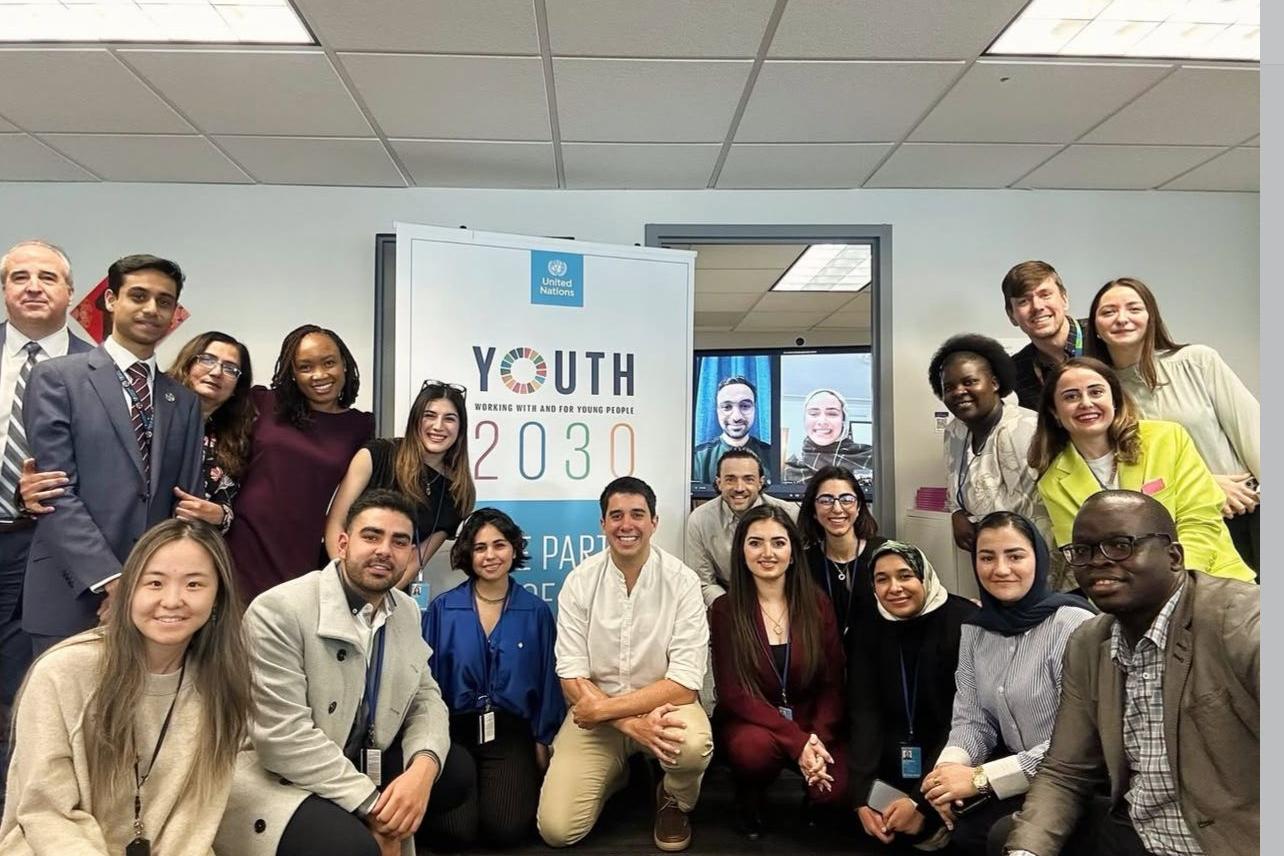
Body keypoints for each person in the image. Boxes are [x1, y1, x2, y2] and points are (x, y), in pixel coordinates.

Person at [1002, 491, 1258, 856]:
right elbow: (1065, 771)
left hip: (1231, 841)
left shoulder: (1243, 621)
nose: (1098, 562)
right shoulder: (1089, 642)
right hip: (1141, 834)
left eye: (1120, 546)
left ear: (1174, 557)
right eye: (1083, 551)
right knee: (1009, 837)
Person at [216, 489, 469, 856]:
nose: (384, 550)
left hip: (356, 753)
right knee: (354, 847)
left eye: (399, 541)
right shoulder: (278, 610)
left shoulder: (406, 610)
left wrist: (423, 770)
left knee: (454, 771)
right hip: (278, 770)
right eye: (372, 536)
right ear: (343, 544)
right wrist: (373, 808)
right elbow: (283, 740)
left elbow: (426, 697)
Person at [0, 517, 252, 854]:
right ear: (129, 591)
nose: (172, 600)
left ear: (218, 597)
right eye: (155, 583)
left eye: (194, 584)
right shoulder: (62, 672)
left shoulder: (221, 683)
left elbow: (197, 818)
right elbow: (46, 812)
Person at [22, 254, 205, 652]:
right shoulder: (58, 378)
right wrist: (113, 581)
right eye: (138, 296)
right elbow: (54, 492)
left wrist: (150, 584)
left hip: (156, 602)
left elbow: (185, 505)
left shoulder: (184, 401)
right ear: (110, 300)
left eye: (164, 301)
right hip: (70, 589)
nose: (151, 309)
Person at [537, 477, 713, 851]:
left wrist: (605, 710)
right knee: (558, 830)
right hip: (599, 718)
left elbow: (684, 685)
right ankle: (616, 774)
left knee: (693, 747)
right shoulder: (579, 582)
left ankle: (673, 797)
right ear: (603, 524)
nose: (626, 525)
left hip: (664, 709)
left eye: (637, 514)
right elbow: (571, 676)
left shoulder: (682, 582)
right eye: (616, 516)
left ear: (654, 522)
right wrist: (629, 724)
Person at [921, 511, 1093, 856]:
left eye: (1015, 556)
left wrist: (980, 778)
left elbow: (1081, 743)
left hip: (1073, 780)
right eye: (987, 557)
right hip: (1017, 776)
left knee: (996, 836)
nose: (1000, 569)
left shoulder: (1073, 624)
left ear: (1038, 559)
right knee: (962, 829)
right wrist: (948, 771)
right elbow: (973, 718)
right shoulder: (976, 630)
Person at [1085, 276, 1260, 572]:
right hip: (1180, 528)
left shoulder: (1197, 361)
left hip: (1247, 510)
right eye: (1109, 312)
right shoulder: (1100, 394)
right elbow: (1126, 470)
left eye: (1133, 308)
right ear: (1096, 328)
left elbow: (1253, 433)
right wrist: (1208, 485)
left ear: (1151, 317)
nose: (1122, 318)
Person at [0, 240, 93, 794]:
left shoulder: (96, 369)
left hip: (50, 547)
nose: (33, 286)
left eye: (47, 277)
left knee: (30, 688)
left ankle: (18, 808)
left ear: (69, 292)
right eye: (19, 277)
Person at [1029, 356, 1254, 582]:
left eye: (1096, 392)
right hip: (1124, 590)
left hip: (1209, 577)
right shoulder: (1053, 482)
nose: (1086, 403)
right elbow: (1084, 554)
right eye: (1071, 396)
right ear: (1055, 412)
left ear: (1115, 400)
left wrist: (1175, 580)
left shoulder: (1167, 438)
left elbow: (1199, 518)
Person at [420, 508, 563, 848]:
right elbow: (425, 682)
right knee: (454, 833)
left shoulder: (536, 611)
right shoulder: (443, 609)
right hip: (453, 730)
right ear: (468, 554)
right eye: (480, 547)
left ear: (513, 548)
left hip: (510, 731)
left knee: (505, 830)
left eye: (499, 545)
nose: (490, 556)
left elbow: (548, 681)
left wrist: (542, 740)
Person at [21, 330, 256, 534]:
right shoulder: (141, 401)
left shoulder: (237, 437)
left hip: (185, 549)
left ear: (238, 385)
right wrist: (27, 495)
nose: (216, 372)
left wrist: (222, 516)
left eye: (231, 369)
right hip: (97, 538)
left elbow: (240, 505)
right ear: (188, 363)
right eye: (207, 359)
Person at [709, 504, 846, 839]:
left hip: (810, 719)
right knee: (751, 751)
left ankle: (814, 796)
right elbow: (734, 693)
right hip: (754, 721)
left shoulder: (818, 605)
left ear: (793, 552)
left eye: (778, 543)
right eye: (755, 543)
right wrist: (797, 742)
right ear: (742, 552)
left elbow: (832, 683)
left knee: (836, 791)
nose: (767, 553)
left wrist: (816, 739)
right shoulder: (725, 610)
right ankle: (750, 795)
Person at [226, 323, 374, 602]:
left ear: (344, 364)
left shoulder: (360, 426)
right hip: (240, 542)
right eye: (305, 367)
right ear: (292, 373)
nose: (319, 375)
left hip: (300, 550)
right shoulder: (263, 402)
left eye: (329, 363)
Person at [848, 541, 977, 850]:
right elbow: (864, 713)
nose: (894, 588)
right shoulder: (867, 627)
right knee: (872, 823)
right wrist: (861, 797)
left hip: (951, 753)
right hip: (894, 756)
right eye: (882, 579)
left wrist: (920, 802)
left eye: (905, 575)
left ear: (924, 576)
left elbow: (965, 723)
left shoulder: (964, 622)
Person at [928, 334, 1069, 591]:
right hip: (991, 559)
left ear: (994, 383)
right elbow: (954, 487)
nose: (959, 392)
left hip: (1036, 562)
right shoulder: (954, 432)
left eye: (970, 381)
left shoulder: (1025, 428)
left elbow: (1031, 511)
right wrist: (956, 513)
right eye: (949, 387)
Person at [327, 380, 475, 586]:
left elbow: (415, 561)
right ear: (415, 420)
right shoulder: (375, 455)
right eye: (429, 415)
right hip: (338, 579)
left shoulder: (457, 492)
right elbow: (335, 524)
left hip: (389, 589)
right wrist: (346, 586)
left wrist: (378, 596)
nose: (438, 426)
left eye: (449, 418)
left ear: (461, 428)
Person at [685, 448, 797, 607]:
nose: (739, 488)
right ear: (719, 483)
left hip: (782, 602)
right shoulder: (700, 520)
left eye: (748, 479)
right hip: (728, 602)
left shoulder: (790, 515)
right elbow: (704, 582)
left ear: (760, 482)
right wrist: (730, 610)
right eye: (730, 479)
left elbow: (799, 573)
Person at [798, 465, 887, 637]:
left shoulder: (885, 554)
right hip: (823, 653)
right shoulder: (803, 564)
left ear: (859, 506)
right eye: (826, 500)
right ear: (813, 510)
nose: (837, 509)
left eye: (846, 499)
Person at [1001, 261, 1086, 411]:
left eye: (1045, 295)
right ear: (1011, 315)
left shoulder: (1103, 337)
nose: (1037, 306)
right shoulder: (1015, 372)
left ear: (1064, 299)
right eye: (1023, 301)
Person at [691, 376, 774, 484]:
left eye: (745, 406)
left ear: (754, 409)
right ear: (717, 411)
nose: (736, 417)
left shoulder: (772, 456)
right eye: (727, 407)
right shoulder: (697, 458)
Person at [782, 388, 873, 484]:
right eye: (813, 414)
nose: (822, 421)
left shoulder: (871, 458)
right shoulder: (792, 468)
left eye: (832, 414)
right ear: (805, 420)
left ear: (844, 420)